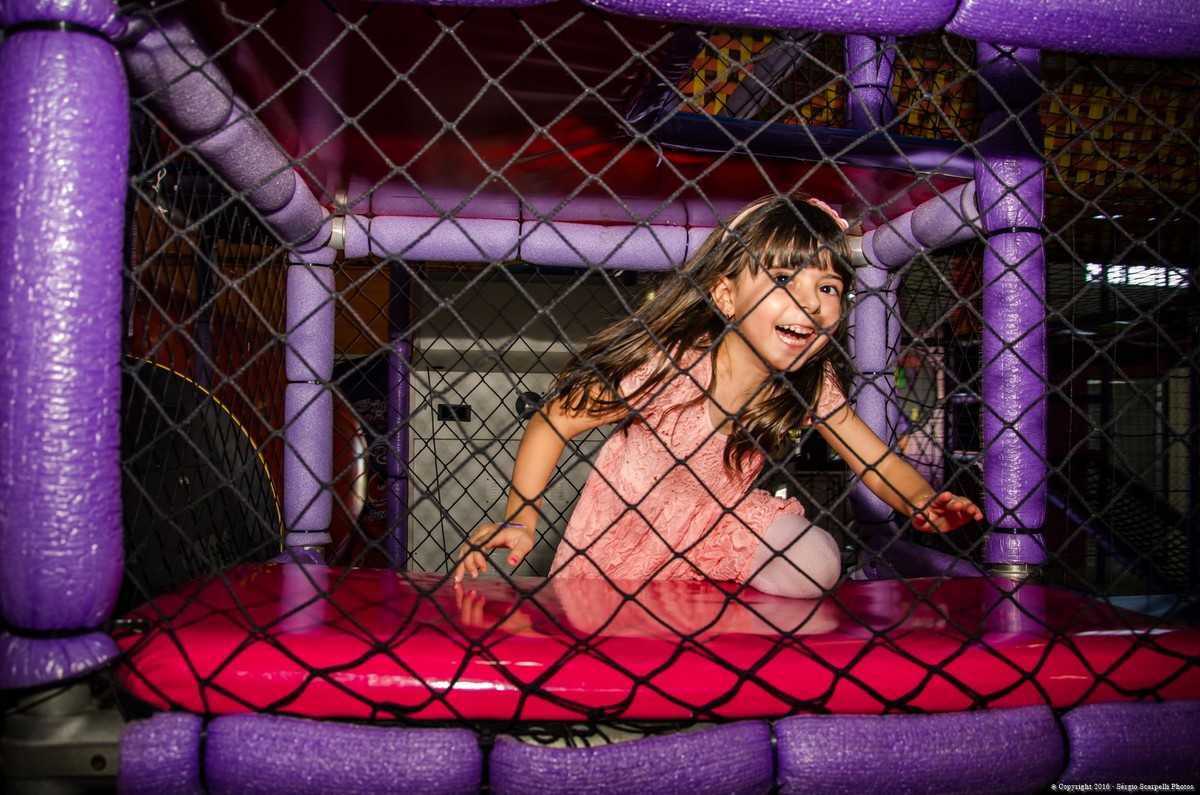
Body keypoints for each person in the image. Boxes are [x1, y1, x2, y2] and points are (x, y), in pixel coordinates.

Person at [455, 195, 982, 598]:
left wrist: (922, 501)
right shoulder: (672, 366)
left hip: (720, 525)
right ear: (727, 296)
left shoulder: (812, 379)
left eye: (828, 288)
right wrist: (522, 516)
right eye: (783, 278)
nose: (811, 302)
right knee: (618, 634)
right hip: (629, 536)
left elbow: (873, 460)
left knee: (818, 562)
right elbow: (554, 420)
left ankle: (725, 624)